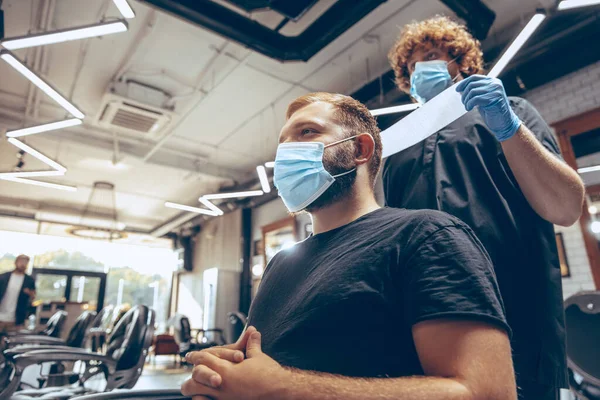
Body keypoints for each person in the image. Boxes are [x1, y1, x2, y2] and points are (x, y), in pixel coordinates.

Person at [181, 92, 517, 400]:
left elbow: (487, 392)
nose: (287, 151)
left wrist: (285, 387)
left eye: (307, 132)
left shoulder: (427, 235)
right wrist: (221, 379)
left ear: (360, 149)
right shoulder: (281, 264)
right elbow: (261, 369)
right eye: (282, 143)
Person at [384, 16, 585, 400]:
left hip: (515, 319)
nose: (420, 68)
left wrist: (508, 128)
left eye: (431, 55)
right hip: (423, 326)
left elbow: (565, 207)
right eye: (413, 65)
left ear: (460, 62)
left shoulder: (510, 111)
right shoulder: (399, 146)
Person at [0, 255, 36, 333]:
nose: (23, 264)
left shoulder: (29, 280)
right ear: (16, 262)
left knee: (10, 341)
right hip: (1, 316)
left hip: (16, 318)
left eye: (25, 262)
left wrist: (29, 293)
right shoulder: (3, 277)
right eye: (21, 262)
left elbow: (33, 297)